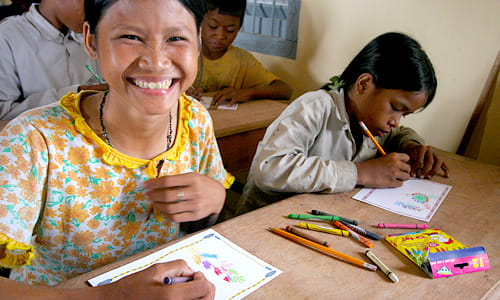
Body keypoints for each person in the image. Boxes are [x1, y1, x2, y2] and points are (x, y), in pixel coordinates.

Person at [0, 0, 234, 298]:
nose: (157, 61)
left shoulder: (195, 120)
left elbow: (198, 224)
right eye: (131, 37)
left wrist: (216, 200)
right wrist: (110, 296)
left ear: (197, 43)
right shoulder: (34, 141)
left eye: (176, 38)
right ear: (91, 41)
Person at [236, 32, 449, 215]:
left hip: (318, 219)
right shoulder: (315, 107)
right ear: (364, 84)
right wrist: (361, 172)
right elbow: (269, 169)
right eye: (395, 107)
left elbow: (399, 134)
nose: (395, 121)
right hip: (264, 224)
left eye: (405, 114)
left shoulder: (374, 123)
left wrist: (411, 145)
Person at [0, 0, 102, 122]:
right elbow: (3, 114)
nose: (96, 14)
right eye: (90, 4)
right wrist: (75, 94)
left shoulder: (93, 35)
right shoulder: (7, 37)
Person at [192, 0, 292, 107]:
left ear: (239, 28)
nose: (220, 36)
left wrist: (248, 93)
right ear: (199, 22)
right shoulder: (183, 55)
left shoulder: (242, 60)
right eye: (212, 26)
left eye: (230, 30)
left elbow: (285, 90)